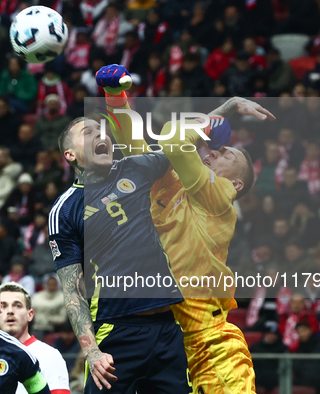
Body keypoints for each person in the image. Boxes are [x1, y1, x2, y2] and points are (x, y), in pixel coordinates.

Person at [98, 64, 272, 394]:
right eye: (217, 148)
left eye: (227, 154)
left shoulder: (221, 196)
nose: (215, 151)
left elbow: (178, 140)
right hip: (159, 337)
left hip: (207, 340)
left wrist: (209, 123)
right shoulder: (170, 182)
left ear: (236, 182)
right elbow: (135, 144)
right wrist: (114, 96)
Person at [50, 77, 191, 393]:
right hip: (116, 331)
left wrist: (228, 109)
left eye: (102, 131)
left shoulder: (134, 168)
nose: (100, 134)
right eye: (88, 132)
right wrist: (92, 351)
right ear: (70, 155)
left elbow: (179, 144)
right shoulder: (65, 209)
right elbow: (73, 291)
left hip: (168, 328)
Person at [0, 282, 70, 394]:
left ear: (30, 314)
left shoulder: (50, 355)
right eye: (3, 306)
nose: (10, 311)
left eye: (17, 305)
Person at [249, 321, 289, 393]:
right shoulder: (256, 347)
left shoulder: (282, 348)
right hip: (258, 377)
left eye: (273, 334)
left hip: (275, 378)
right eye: (268, 333)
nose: (271, 336)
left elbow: (285, 368)